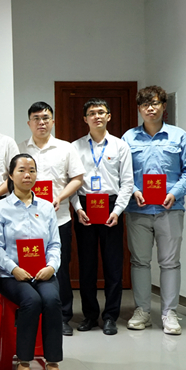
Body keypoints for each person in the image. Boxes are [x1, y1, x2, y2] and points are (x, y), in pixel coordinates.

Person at [123, 86, 186, 335]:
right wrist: (134, 190)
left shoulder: (179, 136)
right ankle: (142, 311)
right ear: (139, 109)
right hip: (138, 210)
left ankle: (169, 313)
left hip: (170, 209)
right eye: (145, 104)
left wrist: (175, 192)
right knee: (139, 262)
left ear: (164, 106)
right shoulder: (128, 138)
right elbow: (121, 173)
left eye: (155, 103)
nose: (150, 108)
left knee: (170, 263)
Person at [0, 153, 66, 370]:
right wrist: (14, 269)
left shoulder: (46, 207)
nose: (27, 175)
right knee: (31, 301)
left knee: (52, 300)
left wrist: (51, 266)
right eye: (21, 170)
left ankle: (53, 363)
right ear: (11, 175)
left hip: (43, 272)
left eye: (32, 170)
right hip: (10, 275)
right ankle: (24, 363)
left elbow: (54, 244)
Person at [18, 102, 84, 336]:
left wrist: (60, 197)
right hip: (26, 221)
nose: (41, 122)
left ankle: (63, 316)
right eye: (36, 118)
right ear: (29, 123)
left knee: (60, 268)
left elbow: (77, 178)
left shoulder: (66, 148)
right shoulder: (20, 148)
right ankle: (30, 314)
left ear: (52, 121)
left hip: (59, 218)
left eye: (46, 118)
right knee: (26, 265)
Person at [71, 99, 133, 335]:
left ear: (109, 116)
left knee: (113, 265)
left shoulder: (120, 146)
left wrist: (117, 211)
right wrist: (78, 208)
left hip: (111, 206)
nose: (96, 116)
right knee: (86, 265)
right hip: (85, 207)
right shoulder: (75, 147)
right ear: (85, 119)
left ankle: (110, 316)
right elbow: (71, 182)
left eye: (101, 112)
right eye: (91, 113)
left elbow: (127, 183)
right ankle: (89, 315)